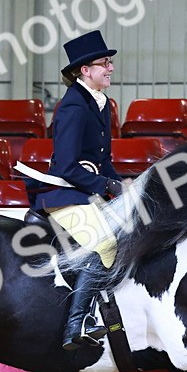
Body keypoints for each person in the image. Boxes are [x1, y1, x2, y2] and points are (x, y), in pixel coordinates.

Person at [28, 30, 124, 350]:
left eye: (110, 62)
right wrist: (105, 185)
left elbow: (103, 160)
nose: (110, 68)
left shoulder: (102, 103)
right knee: (105, 245)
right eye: (105, 63)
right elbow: (67, 167)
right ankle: (76, 322)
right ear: (86, 70)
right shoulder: (72, 107)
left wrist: (122, 188)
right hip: (65, 195)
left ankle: (107, 311)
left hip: (88, 192)